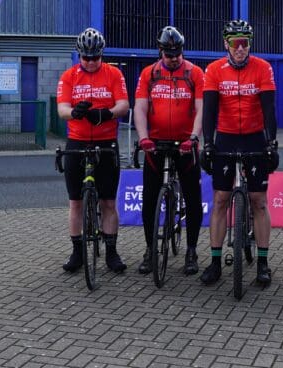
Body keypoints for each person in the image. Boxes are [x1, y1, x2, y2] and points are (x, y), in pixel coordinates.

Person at [199, 19, 278, 287]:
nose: (241, 48)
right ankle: (215, 261)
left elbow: (269, 109)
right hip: (226, 137)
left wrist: (272, 143)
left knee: (259, 200)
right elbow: (209, 110)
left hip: (255, 137)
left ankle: (264, 263)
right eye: (235, 43)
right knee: (220, 199)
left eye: (245, 43)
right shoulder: (213, 70)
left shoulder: (263, 68)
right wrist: (207, 143)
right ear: (226, 44)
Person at [56, 28, 130, 274]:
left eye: (94, 57)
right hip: (77, 141)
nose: (89, 62)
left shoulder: (114, 73)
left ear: (101, 54)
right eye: (85, 58)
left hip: (106, 141)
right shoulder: (68, 76)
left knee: (108, 201)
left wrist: (108, 112)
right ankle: (77, 252)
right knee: (75, 202)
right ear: (79, 55)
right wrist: (74, 113)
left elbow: (123, 105)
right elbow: (62, 109)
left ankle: (111, 252)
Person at [133, 26, 205, 276]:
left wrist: (195, 137)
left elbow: (200, 108)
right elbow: (140, 108)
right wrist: (143, 138)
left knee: (194, 199)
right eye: (168, 53)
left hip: (185, 146)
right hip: (156, 144)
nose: (173, 57)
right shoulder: (148, 74)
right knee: (150, 201)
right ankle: (150, 250)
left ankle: (192, 250)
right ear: (160, 51)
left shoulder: (194, 73)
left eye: (177, 53)